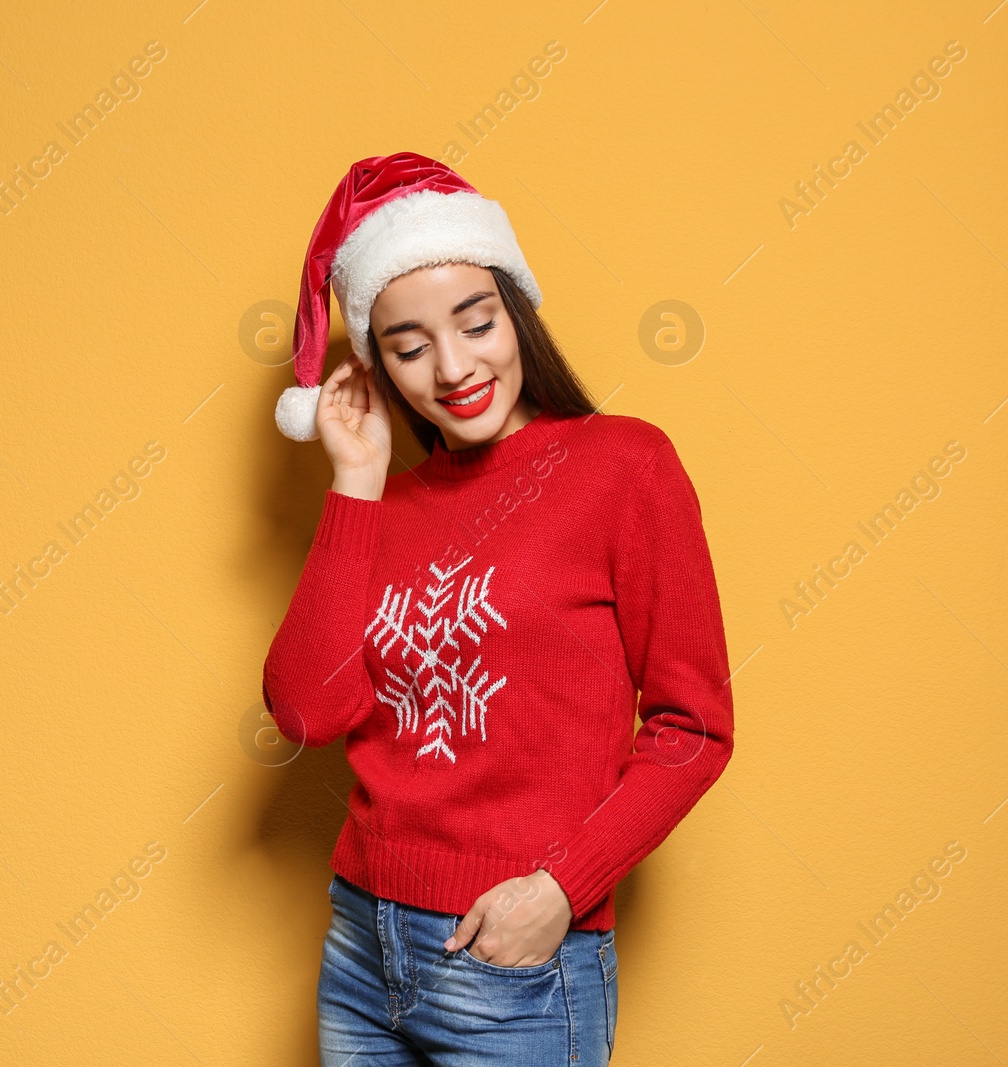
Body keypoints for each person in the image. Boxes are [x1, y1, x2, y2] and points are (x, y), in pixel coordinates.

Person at [262, 151, 735, 1066]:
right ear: (379, 366)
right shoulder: (382, 509)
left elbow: (694, 728)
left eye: (476, 323)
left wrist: (561, 888)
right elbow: (306, 709)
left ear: (515, 311)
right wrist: (354, 481)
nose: (452, 366)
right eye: (408, 346)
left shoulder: (623, 467)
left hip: (514, 966)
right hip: (361, 944)